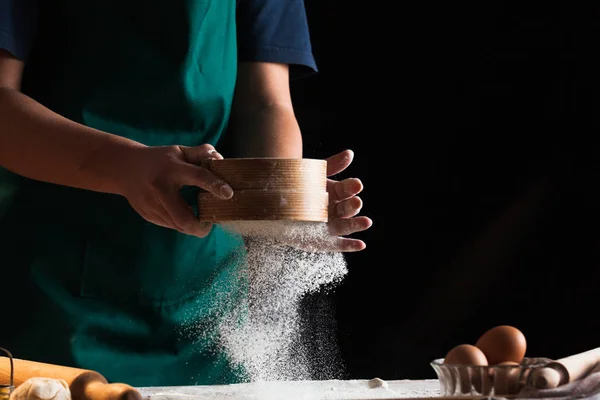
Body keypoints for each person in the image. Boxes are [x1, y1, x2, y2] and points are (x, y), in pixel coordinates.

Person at [0, 0, 372, 387]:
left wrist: (280, 195)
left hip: (210, 299)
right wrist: (123, 164)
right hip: (55, 287)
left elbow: (265, 103)